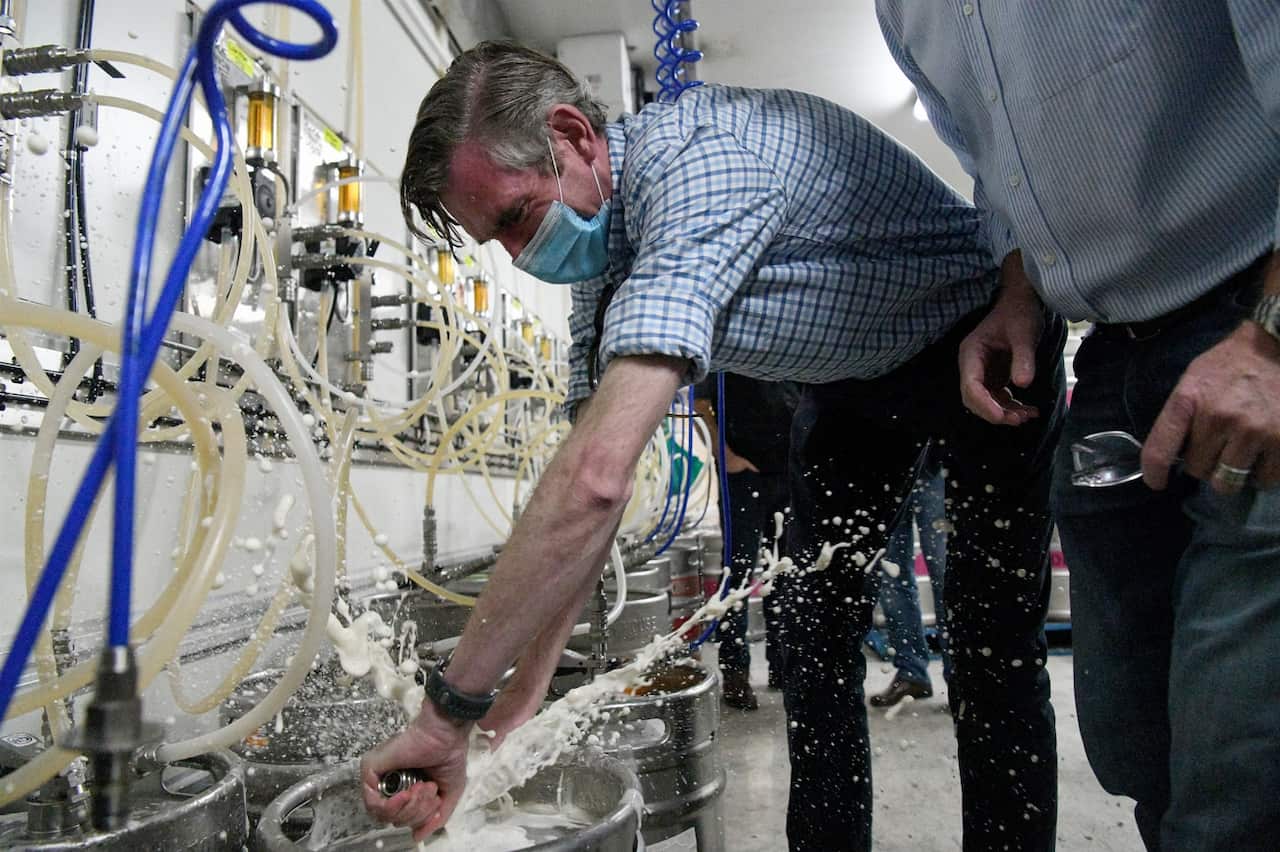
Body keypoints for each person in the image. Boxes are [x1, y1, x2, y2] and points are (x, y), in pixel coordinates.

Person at [363, 41, 1066, 851]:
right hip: (852, 378)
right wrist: (520, 698)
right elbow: (596, 496)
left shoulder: (703, 166)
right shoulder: (603, 256)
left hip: (978, 334)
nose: (523, 256)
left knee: (989, 647)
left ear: (573, 136)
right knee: (810, 636)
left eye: (517, 217)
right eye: (497, 240)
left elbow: (591, 480)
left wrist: (448, 712)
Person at [875, 4, 1280, 850]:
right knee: (1140, 752)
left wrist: (1273, 334)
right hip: (1111, 355)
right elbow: (1002, 174)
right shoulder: (903, 11)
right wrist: (1017, 293)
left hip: (1252, 319)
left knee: (1236, 777)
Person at [693, 373, 798, 710]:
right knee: (737, 571)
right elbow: (698, 403)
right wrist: (725, 456)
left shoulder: (795, 344)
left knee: (784, 572)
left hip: (788, 472)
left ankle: (783, 665)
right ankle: (735, 672)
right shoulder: (731, 346)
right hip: (743, 475)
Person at [866, 446, 949, 708]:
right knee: (892, 579)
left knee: (946, 576)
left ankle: (962, 679)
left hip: (937, 462)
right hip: (886, 466)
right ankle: (911, 672)